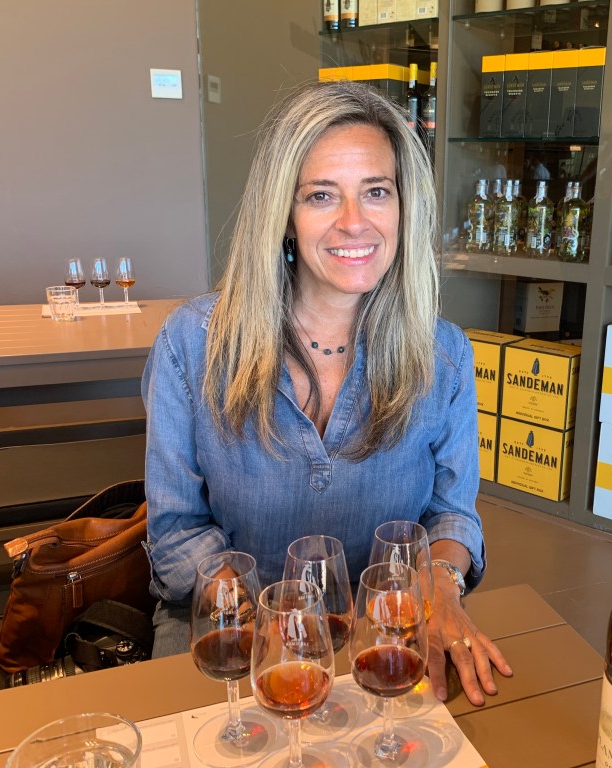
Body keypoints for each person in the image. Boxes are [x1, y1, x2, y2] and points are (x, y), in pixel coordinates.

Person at [141, 79, 512, 706]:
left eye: (376, 191)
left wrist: (441, 584)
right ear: (283, 217)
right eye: (321, 195)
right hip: (226, 633)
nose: (354, 222)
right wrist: (273, 633)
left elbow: (451, 516)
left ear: (404, 207)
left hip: (381, 633)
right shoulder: (193, 343)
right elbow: (177, 533)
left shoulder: (443, 353)